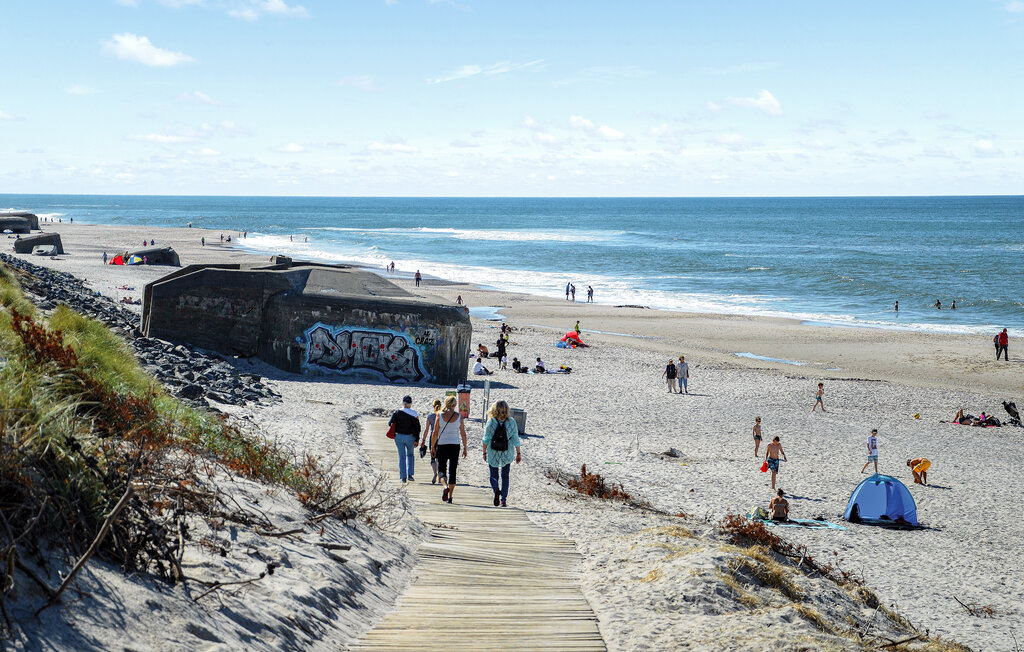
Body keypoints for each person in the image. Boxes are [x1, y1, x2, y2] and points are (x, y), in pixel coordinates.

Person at [482, 400, 522, 507]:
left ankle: (496, 490)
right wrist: (518, 453)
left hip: (493, 451)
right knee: (505, 476)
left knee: (493, 475)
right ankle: (503, 499)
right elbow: (515, 439)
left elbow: (486, 439)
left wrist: (484, 452)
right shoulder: (512, 422)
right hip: (507, 452)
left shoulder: (491, 422)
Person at [431, 396, 467, 503]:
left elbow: (435, 433)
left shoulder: (440, 415)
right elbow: (463, 433)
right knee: (453, 470)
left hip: (442, 444)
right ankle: (450, 496)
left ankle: (445, 486)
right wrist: (465, 447)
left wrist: (433, 446)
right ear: (455, 405)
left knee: (442, 469)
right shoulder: (459, 416)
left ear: (445, 404)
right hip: (455, 445)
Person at [388, 396, 421, 483]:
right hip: (410, 437)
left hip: (398, 436)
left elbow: (389, 423)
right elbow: (418, 428)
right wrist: (417, 439)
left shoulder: (397, 412)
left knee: (401, 456)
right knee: (410, 455)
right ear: (410, 404)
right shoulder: (414, 413)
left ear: (403, 403)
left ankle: (403, 478)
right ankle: (410, 475)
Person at [425, 399, 443, 484]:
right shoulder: (442, 416)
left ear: (433, 406)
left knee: (433, 457)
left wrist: (423, 440)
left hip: (432, 437)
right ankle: (440, 476)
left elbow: (426, 429)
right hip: (441, 438)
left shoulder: (430, 416)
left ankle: (434, 473)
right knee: (440, 458)